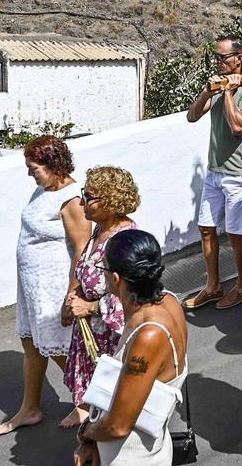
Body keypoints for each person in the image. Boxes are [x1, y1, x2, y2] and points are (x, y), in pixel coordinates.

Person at [0, 134, 90, 436]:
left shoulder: (72, 199)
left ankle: (87, 401)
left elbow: (82, 248)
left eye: (33, 168)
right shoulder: (43, 190)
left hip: (53, 286)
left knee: (58, 346)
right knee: (32, 344)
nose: (29, 174)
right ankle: (30, 408)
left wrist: (71, 294)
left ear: (52, 164)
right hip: (32, 286)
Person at [73, 229, 189, 466]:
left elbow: (117, 426)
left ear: (116, 278)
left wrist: (85, 433)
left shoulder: (149, 336)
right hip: (144, 449)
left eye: (103, 268)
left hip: (131, 457)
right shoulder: (169, 301)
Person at [184, 35, 242, 311]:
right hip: (215, 171)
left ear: (239, 58)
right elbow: (192, 116)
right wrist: (209, 92)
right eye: (215, 57)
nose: (218, 63)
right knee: (206, 228)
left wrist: (228, 92)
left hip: (239, 174)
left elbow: (238, 126)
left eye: (223, 58)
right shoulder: (217, 87)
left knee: (236, 234)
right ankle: (213, 286)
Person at [61, 166, 139, 428]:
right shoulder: (99, 231)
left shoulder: (125, 239)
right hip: (93, 335)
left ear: (110, 200)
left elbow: (131, 294)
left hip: (113, 338)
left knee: (114, 407)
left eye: (89, 197)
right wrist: (75, 294)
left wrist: (90, 307)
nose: (82, 202)